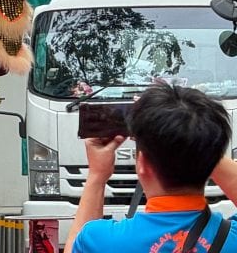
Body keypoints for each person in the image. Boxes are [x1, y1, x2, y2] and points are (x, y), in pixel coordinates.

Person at [65, 84, 237, 253]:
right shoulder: (232, 238)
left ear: (142, 164)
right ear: (211, 159)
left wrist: (96, 176)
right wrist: (198, 141)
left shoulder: (100, 241)